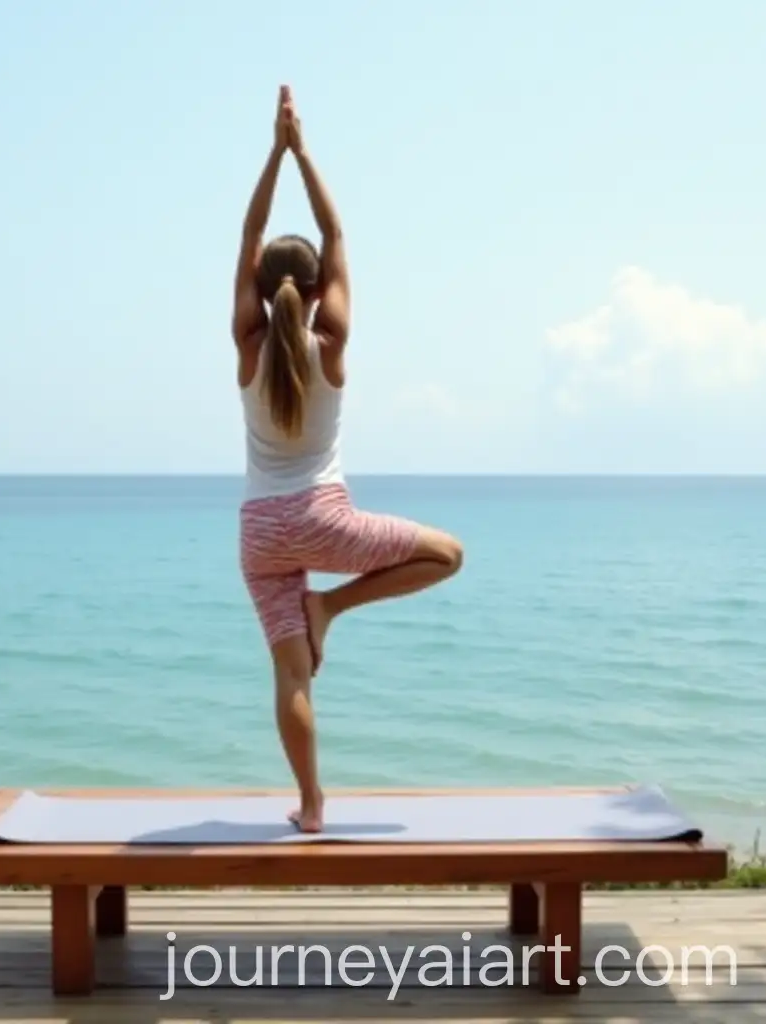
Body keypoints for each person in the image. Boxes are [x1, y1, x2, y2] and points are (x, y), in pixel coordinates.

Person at [232, 85, 464, 833]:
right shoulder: (330, 343)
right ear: (317, 287)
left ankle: (310, 805)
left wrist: (271, 152)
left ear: (264, 293)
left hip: (260, 534)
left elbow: (248, 238)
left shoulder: (249, 345)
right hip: (325, 522)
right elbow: (337, 232)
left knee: (291, 676)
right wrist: (302, 150)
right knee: (448, 554)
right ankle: (329, 606)